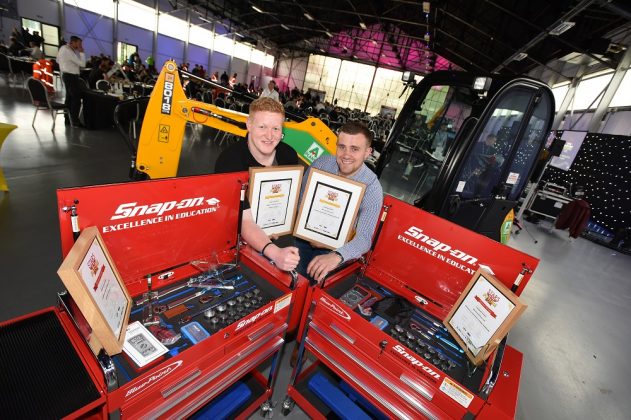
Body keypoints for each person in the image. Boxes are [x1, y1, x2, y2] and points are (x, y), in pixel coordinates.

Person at [215, 97, 300, 271]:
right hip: (236, 242)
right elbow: (244, 220)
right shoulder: (229, 161)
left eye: (276, 128)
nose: (269, 136)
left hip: (277, 236)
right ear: (249, 125)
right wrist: (275, 253)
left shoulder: (289, 155)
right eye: (262, 127)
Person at [295, 121, 383, 282]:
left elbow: (364, 238)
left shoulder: (372, 187)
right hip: (302, 240)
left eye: (354, 149)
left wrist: (337, 255)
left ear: (367, 152)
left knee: (315, 289)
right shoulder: (321, 164)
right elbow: (301, 198)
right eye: (342, 147)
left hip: (334, 253)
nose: (346, 155)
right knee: (296, 282)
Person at [57, 35, 86, 127]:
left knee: (69, 98)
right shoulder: (68, 51)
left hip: (66, 75)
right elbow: (83, 64)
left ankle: (68, 119)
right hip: (71, 76)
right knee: (76, 99)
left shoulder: (63, 48)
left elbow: (57, 60)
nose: (80, 46)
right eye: (79, 44)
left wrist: (66, 65)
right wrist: (82, 53)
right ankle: (75, 120)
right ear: (73, 42)